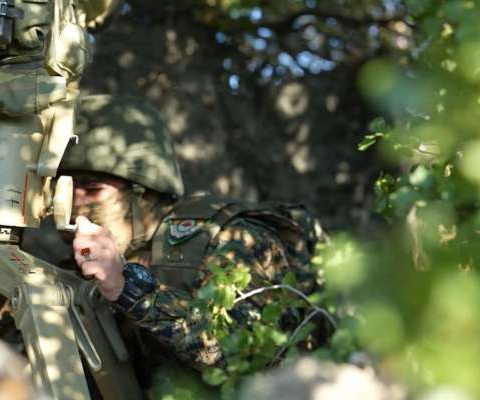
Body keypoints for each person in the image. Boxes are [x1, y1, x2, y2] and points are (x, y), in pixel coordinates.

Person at [58, 94, 326, 378]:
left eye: (92, 189)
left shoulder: (230, 239)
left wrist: (127, 289)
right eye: (63, 188)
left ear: (144, 192)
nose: (75, 203)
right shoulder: (86, 261)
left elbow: (247, 357)